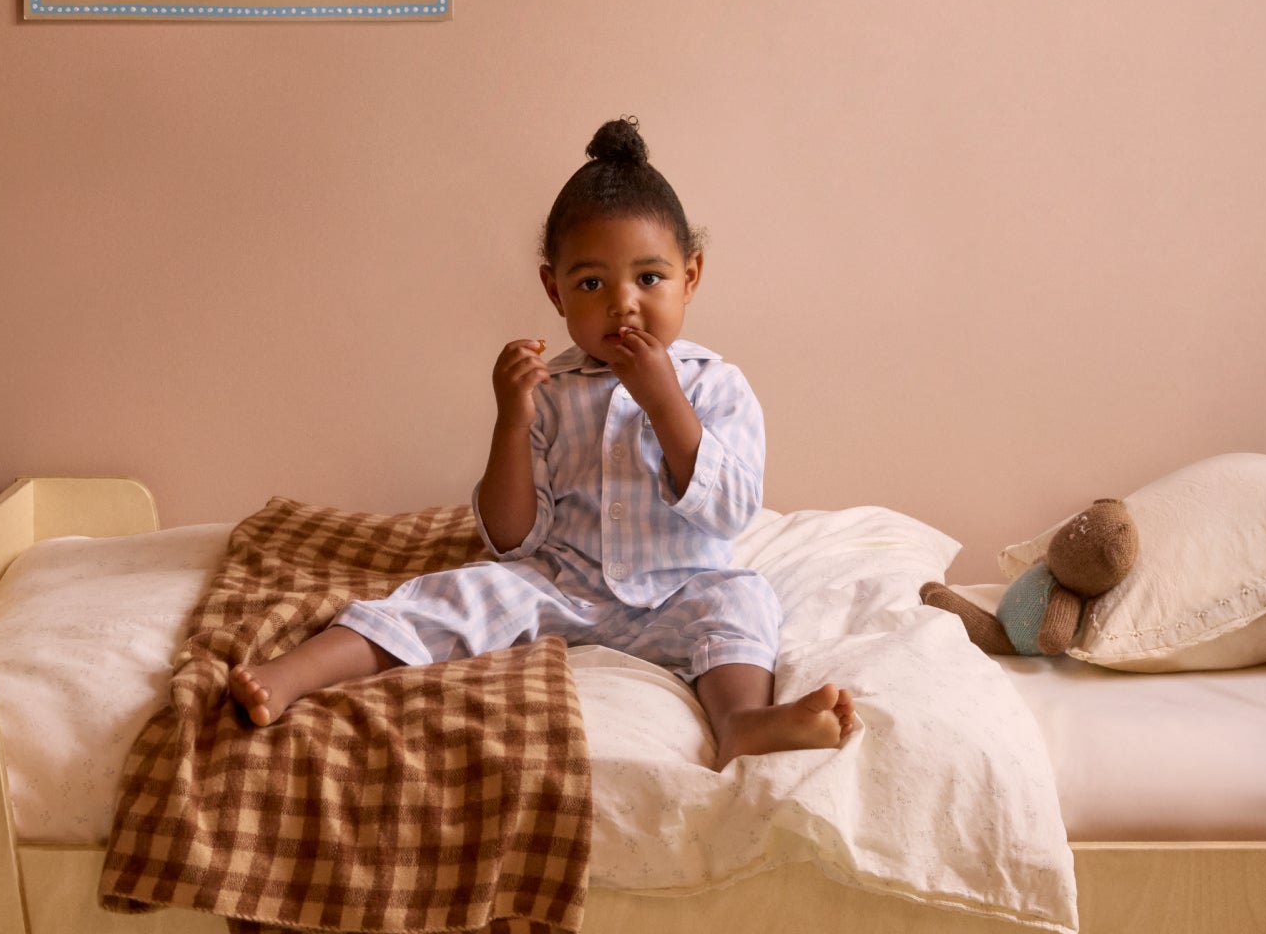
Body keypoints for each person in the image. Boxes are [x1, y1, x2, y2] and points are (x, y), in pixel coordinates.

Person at [230, 119, 855, 766]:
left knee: (743, 598)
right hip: (564, 585)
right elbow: (510, 539)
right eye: (591, 284)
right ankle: (293, 674)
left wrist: (664, 399)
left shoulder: (714, 385)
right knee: (458, 591)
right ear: (554, 291)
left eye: (649, 278)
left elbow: (730, 511)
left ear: (690, 277)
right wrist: (511, 419)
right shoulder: (549, 390)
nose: (623, 304)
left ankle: (745, 722)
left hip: (682, 587)